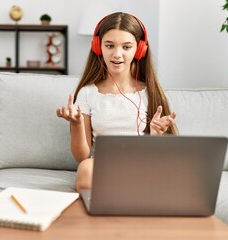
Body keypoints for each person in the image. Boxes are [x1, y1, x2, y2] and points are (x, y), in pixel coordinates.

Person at [56, 12, 177, 192]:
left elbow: (164, 155)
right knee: (85, 168)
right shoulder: (88, 93)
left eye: (126, 47)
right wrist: (76, 124)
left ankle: (125, 193)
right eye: (110, 45)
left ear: (140, 49)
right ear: (98, 47)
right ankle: (127, 193)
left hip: (143, 164)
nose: (117, 54)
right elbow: (82, 156)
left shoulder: (148, 92)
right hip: (104, 167)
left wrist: (155, 136)